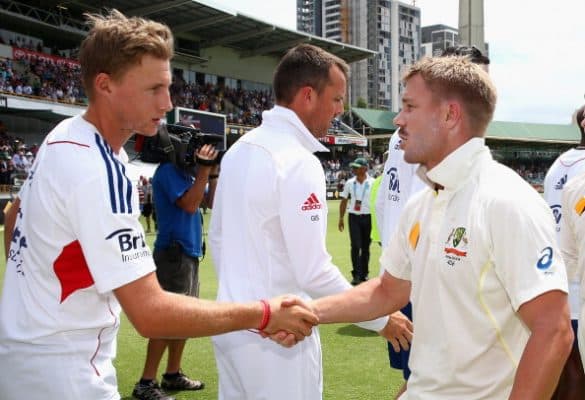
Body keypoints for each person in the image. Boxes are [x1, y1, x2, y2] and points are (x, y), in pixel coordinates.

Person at [0, 10, 317, 400]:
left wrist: (39, 291)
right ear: (106, 85)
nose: (167, 103)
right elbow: (150, 314)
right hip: (65, 373)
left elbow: (13, 215)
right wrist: (264, 313)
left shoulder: (63, 137)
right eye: (154, 89)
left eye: (168, 87)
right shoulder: (99, 167)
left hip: (21, 358)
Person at [305, 55, 574, 399]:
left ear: (449, 115)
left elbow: (554, 330)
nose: (399, 120)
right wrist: (309, 310)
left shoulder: (505, 201)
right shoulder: (423, 203)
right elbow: (387, 292)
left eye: (410, 107)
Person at [208, 44, 401, 400]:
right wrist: (380, 319)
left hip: (235, 325)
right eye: (337, 99)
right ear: (308, 95)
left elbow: (217, 240)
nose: (341, 110)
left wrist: (241, 302)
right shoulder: (297, 160)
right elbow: (313, 272)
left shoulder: (239, 149)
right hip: (280, 337)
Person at [373, 45, 492, 398]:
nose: (486, 89)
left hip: (405, 264)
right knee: (432, 379)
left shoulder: (403, 133)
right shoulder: (434, 132)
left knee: (421, 379)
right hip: (425, 272)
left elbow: (386, 200)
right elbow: (431, 201)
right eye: (479, 77)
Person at [133, 140, 219, 400]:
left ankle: (172, 374)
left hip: (187, 253)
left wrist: (212, 172)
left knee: (184, 318)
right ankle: (146, 382)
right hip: (173, 253)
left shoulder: (186, 173)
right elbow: (190, 205)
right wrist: (203, 172)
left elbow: (210, 202)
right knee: (167, 318)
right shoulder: (169, 171)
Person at [546, 105, 585, 399]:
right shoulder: (578, 177)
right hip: (573, 288)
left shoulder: (559, 163)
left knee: (565, 372)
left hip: (557, 282)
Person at [338, 157, 374, 285]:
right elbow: (344, 201)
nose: (353, 169)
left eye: (356, 167)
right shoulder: (349, 183)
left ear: (364, 169)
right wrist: (341, 218)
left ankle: (364, 274)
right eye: (353, 167)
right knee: (355, 246)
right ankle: (356, 275)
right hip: (353, 217)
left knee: (365, 247)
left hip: (368, 217)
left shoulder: (373, 183)